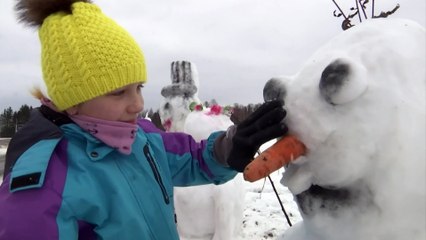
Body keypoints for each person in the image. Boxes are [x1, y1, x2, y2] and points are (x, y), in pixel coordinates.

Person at [0, 0, 288, 239]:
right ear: (72, 102)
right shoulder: (43, 186)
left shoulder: (142, 138)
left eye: (139, 87)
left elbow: (190, 158)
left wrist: (227, 149)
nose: (137, 104)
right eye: (119, 92)